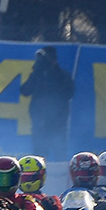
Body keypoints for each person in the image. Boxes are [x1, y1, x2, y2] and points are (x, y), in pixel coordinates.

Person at [20, 47, 74, 179]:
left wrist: (53, 73)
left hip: (58, 123)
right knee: (39, 153)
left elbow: (69, 93)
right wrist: (37, 72)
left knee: (59, 151)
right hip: (40, 122)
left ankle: (62, 180)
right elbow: (25, 90)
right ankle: (36, 179)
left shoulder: (62, 75)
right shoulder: (38, 74)